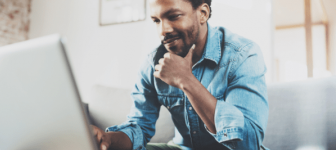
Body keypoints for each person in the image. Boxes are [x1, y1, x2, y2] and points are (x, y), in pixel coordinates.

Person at [92, 0, 269, 149]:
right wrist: (108, 139)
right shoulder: (153, 63)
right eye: (156, 20)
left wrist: (186, 80)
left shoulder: (242, 55)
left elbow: (250, 143)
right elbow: (139, 127)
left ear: (203, 13)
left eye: (174, 16)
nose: (163, 30)